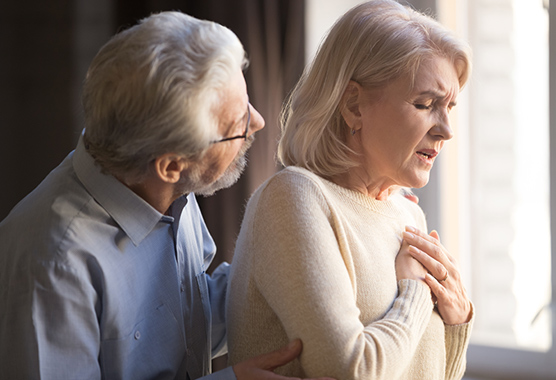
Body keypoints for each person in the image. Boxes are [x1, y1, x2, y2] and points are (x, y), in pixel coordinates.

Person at [0, 11, 333, 380]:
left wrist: (306, 261)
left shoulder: (167, 188)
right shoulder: (53, 268)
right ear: (171, 165)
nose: (258, 121)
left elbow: (190, 314)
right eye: (237, 123)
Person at [226, 1, 474, 379]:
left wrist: (456, 323)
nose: (446, 129)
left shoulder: (408, 214)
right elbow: (349, 370)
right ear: (353, 105)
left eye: (450, 108)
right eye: (425, 104)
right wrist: (416, 293)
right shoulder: (294, 198)